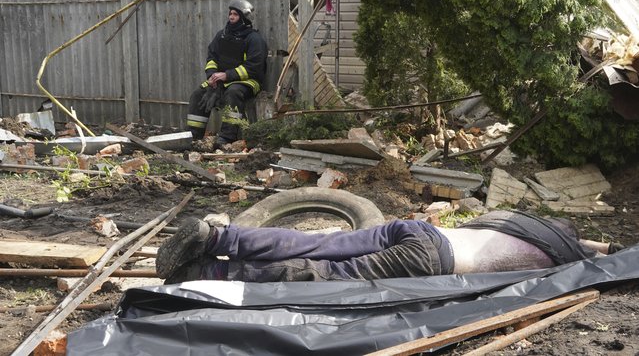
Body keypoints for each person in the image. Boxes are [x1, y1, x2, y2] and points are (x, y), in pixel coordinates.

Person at [156, 210, 622, 284]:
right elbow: (598, 256)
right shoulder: (562, 256)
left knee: (318, 242)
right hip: (432, 258)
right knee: (326, 276)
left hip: (422, 230)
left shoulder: (522, 224)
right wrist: (604, 251)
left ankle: (218, 237)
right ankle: (208, 276)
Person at [186, 0, 268, 145]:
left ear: (244, 18)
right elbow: (211, 57)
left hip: (248, 81)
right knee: (198, 94)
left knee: (233, 93)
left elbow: (253, 67)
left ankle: (227, 138)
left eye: (235, 14)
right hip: (222, 80)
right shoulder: (221, 35)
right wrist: (212, 76)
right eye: (230, 13)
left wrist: (226, 75)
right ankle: (193, 137)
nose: (231, 17)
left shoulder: (255, 40)